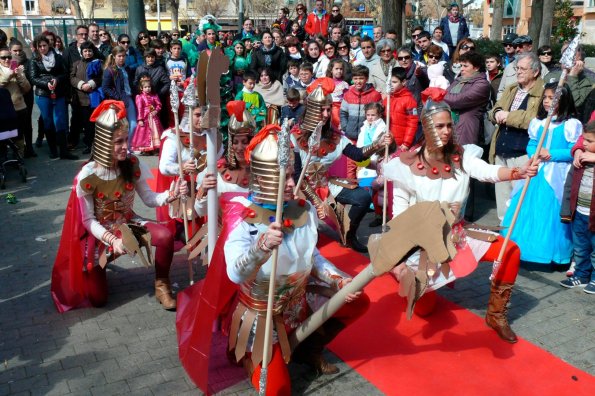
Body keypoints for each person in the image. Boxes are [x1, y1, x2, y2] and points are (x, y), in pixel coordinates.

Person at [384, 98, 539, 343]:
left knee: (509, 250)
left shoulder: (461, 156)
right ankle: (410, 279)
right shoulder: (406, 165)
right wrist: (398, 260)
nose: (446, 132)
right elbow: (399, 216)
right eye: (439, 126)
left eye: (448, 126)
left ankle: (496, 316)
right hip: (422, 244)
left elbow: (486, 171)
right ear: (426, 127)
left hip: (458, 234)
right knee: (426, 309)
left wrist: (516, 172)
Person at [50, 101, 188, 313]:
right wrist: (112, 240)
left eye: (126, 139)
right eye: (118, 142)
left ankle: (162, 284)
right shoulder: (88, 175)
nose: (126, 146)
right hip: (99, 236)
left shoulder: (132, 163)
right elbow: (88, 220)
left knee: (165, 236)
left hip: (128, 223)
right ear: (104, 143)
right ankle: (98, 270)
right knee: (98, 300)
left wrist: (172, 195)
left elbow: (149, 199)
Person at [300, 79, 391, 253]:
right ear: (311, 110)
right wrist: (317, 201)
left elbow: (357, 154)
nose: (327, 114)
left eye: (328, 109)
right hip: (301, 189)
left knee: (362, 198)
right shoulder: (295, 138)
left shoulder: (335, 137)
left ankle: (348, 235)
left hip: (326, 185)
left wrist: (378, 144)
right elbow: (296, 174)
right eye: (322, 110)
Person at [501, 82, 579, 269]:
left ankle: (550, 254)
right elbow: (531, 144)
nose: (547, 101)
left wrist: (551, 153)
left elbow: (573, 150)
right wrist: (535, 152)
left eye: (553, 98)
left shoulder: (571, 125)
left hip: (557, 175)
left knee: (550, 213)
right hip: (537, 170)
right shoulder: (538, 123)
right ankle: (522, 251)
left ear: (564, 100)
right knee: (528, 211)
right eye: (545, 97)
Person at [488, 52, 544, 220]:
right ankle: (503, 236)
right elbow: (495, 110)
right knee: (503, 203)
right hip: (501, 151)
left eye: (523, 69)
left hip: (522, 154)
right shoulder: (512, 88)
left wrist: (508, 116)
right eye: (517, 68)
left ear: (535, 72)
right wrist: (497, 113)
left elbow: (534, 119)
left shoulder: (542, 93)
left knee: (521, 203)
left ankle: (519, 241)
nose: (518, 72)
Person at [194, 101, 255, 217]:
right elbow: (200, 211)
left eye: (245, 142)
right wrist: (204, 189)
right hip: (223, 232)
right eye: (236, 142)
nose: (240, 147)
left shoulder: (261, 170)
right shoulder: (216, 171)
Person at [559, 121, 595, 293]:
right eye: (584, 140)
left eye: (589, 141)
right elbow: (569, 186)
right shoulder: (580, 161)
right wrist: (567, 210)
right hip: (579, 213)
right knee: (580, 247)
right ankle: (581, 275)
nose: (584, 144)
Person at [29, 35, 78, 160]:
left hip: (58, 93)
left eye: (44, 45)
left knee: (60, 121)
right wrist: (46, 83)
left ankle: (64, 151)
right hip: (43, 95)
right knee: (48, 121)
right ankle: (53, 150)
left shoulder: (58, 57)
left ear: (48, 45)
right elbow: (33, 78)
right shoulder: (34, 60)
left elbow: (65, 73)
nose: (42, 48)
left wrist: (56, 79)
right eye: (39, 46)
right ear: (36, 47)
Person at [444, 52, 491, 146]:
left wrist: (439, 95)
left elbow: (459, 100)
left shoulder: (482, 84)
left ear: (476, 67)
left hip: (467, 128)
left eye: (465, 66)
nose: (461, 69)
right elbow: (447, 96)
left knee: (464, 157)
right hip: (451, 125)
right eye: (461, 65)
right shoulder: (458, 80)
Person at [544, 44, 595, 122]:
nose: (567, 62)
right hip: (545, 120)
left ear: (581, 63)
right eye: (566, 57)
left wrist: (572, 77)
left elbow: (575, 104)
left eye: (572, 59)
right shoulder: (551, 76)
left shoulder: (588, 82)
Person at [70, 41, 103, 155]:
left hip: (94, 99)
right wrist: (81, 85)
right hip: (80, 98)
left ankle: (96, 145)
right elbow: (72, 78)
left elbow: (101, 77)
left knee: (94, 124)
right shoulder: (76, 64)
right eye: (85, 51)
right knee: (85, 124)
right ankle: (88, 144)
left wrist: (91, 84)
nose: (88, 53)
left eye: (90, 51)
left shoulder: (98, 63)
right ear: (81, 52)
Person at [0, 45, 30, 160]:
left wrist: (19, 76)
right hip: (3, 111)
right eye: (3, 58)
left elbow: (27, 88)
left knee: (18, 135)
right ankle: (3, 157)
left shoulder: (16, 67)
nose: (7, 60)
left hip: (19, 107)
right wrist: (9, 75)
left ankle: (19, 157)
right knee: (2, 137)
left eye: (8, 57)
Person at [102, 46, 137, 141]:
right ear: (114, 56)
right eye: (119, 56)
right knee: (121, 127)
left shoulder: (127, 69)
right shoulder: (109, 71)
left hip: (129, 98)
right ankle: (121, 147)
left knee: (133, 124)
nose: (122, 58)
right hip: (118, 101)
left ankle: (128, 146)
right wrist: (118, 97)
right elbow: (105, 88)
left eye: (123, 56)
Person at [497, 35, 548, 99]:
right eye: (515, 47)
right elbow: (501, 90)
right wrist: (501, 105)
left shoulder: (541, 68)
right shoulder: (509, 67)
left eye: (520, 46)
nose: (517, 49)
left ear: (529, 47)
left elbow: (546, 92)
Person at [9, 40, 36, 158]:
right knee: (14, 125)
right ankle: (17, 150)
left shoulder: (28, 62)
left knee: (27, 123)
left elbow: (31, 79)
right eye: (15, 50)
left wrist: (22, 74)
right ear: (10, 51)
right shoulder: (6, 62)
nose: (18, 53)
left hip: (27, 95)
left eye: (20, 50)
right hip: (13, 97)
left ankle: (29, 147)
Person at [383, 67, 419, 151]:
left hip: (401, 144)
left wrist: (406, 143)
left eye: (394, 82)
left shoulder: (409, 100)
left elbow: (412, 123)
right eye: (389, 82)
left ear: (403, 82)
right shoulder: (387, 99)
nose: (391, 85)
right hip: (387, 141)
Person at [131, 77, 163, 154]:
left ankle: (155, 148)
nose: (148, 88)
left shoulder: (154, 96)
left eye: (149, 87)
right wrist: (140, 119)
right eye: (145, 87)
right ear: (141, 88)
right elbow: (139, 108)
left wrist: (156, 110)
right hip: (145, 118)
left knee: (155, 132)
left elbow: (159, 104)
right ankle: (146, 149)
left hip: (153, 118)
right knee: (145, 133)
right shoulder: (140, 97)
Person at [327, 58, 349, 129]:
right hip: (327, 108)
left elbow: (346, 99)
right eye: (336, 69)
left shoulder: (344, 84)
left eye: (341, 69)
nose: (339, 71)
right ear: (331, 70)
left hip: (339, 109)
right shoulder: (327, 82)